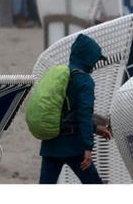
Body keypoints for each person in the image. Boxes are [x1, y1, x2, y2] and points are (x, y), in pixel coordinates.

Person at [38, 33, 112, 184]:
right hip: (74, 147)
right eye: (95, 60)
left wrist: (95, 128)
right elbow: (83, 115)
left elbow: (65, 112)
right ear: (88, 58)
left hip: (51, 144)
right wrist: (87, 148)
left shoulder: (60, 75)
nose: (95, 64)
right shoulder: (84, 81)